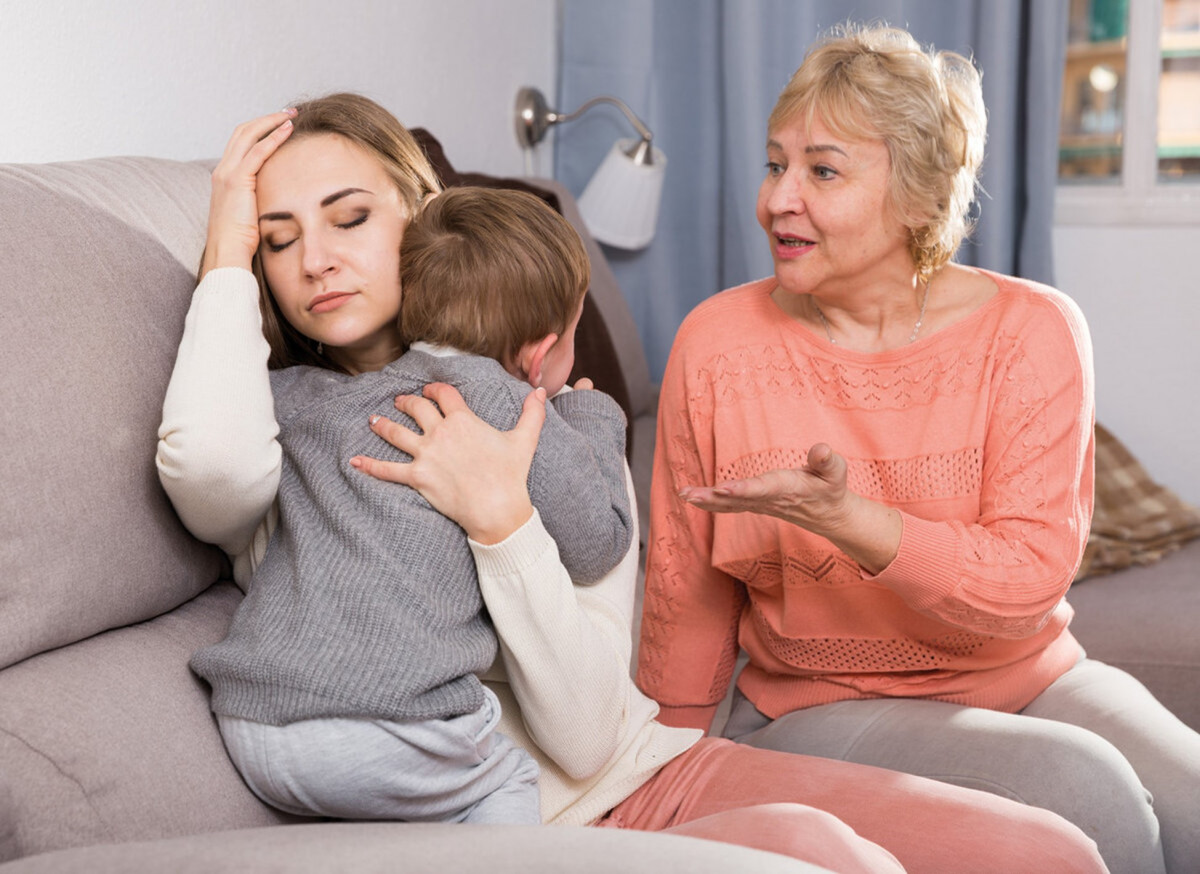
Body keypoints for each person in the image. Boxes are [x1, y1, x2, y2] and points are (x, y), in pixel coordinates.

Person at [157, 90, 1108, 872]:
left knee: (1045, 852)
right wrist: (224, 257)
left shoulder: (556, 416)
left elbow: (593, 723)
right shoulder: (290, 424)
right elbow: (207, 467)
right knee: (830, 857)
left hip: (644, 765)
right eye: (277, 240)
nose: (315, 259)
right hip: (539, 817)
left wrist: (509, 509)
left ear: (425, 216)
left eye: (350, 217)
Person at [635, 22, 1200, 874]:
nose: (779, 198)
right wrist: (661, 776)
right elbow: (688, 588)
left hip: (1031, 672)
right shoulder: (717, 345)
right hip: (821, 702)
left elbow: (1024, 583)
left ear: (923, 196)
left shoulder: (1032, 331)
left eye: (822, 170)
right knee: (1088, 792)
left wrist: (852, 520)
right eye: (775, 163)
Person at [188, 184, 635, 825]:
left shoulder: (302, 398)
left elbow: (225, 401)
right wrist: (592, 416)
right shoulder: (519, 413)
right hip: (387, 734)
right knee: (507, 779)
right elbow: (600, 544)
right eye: (283, 240)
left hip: (251, 724)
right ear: (540, 355)